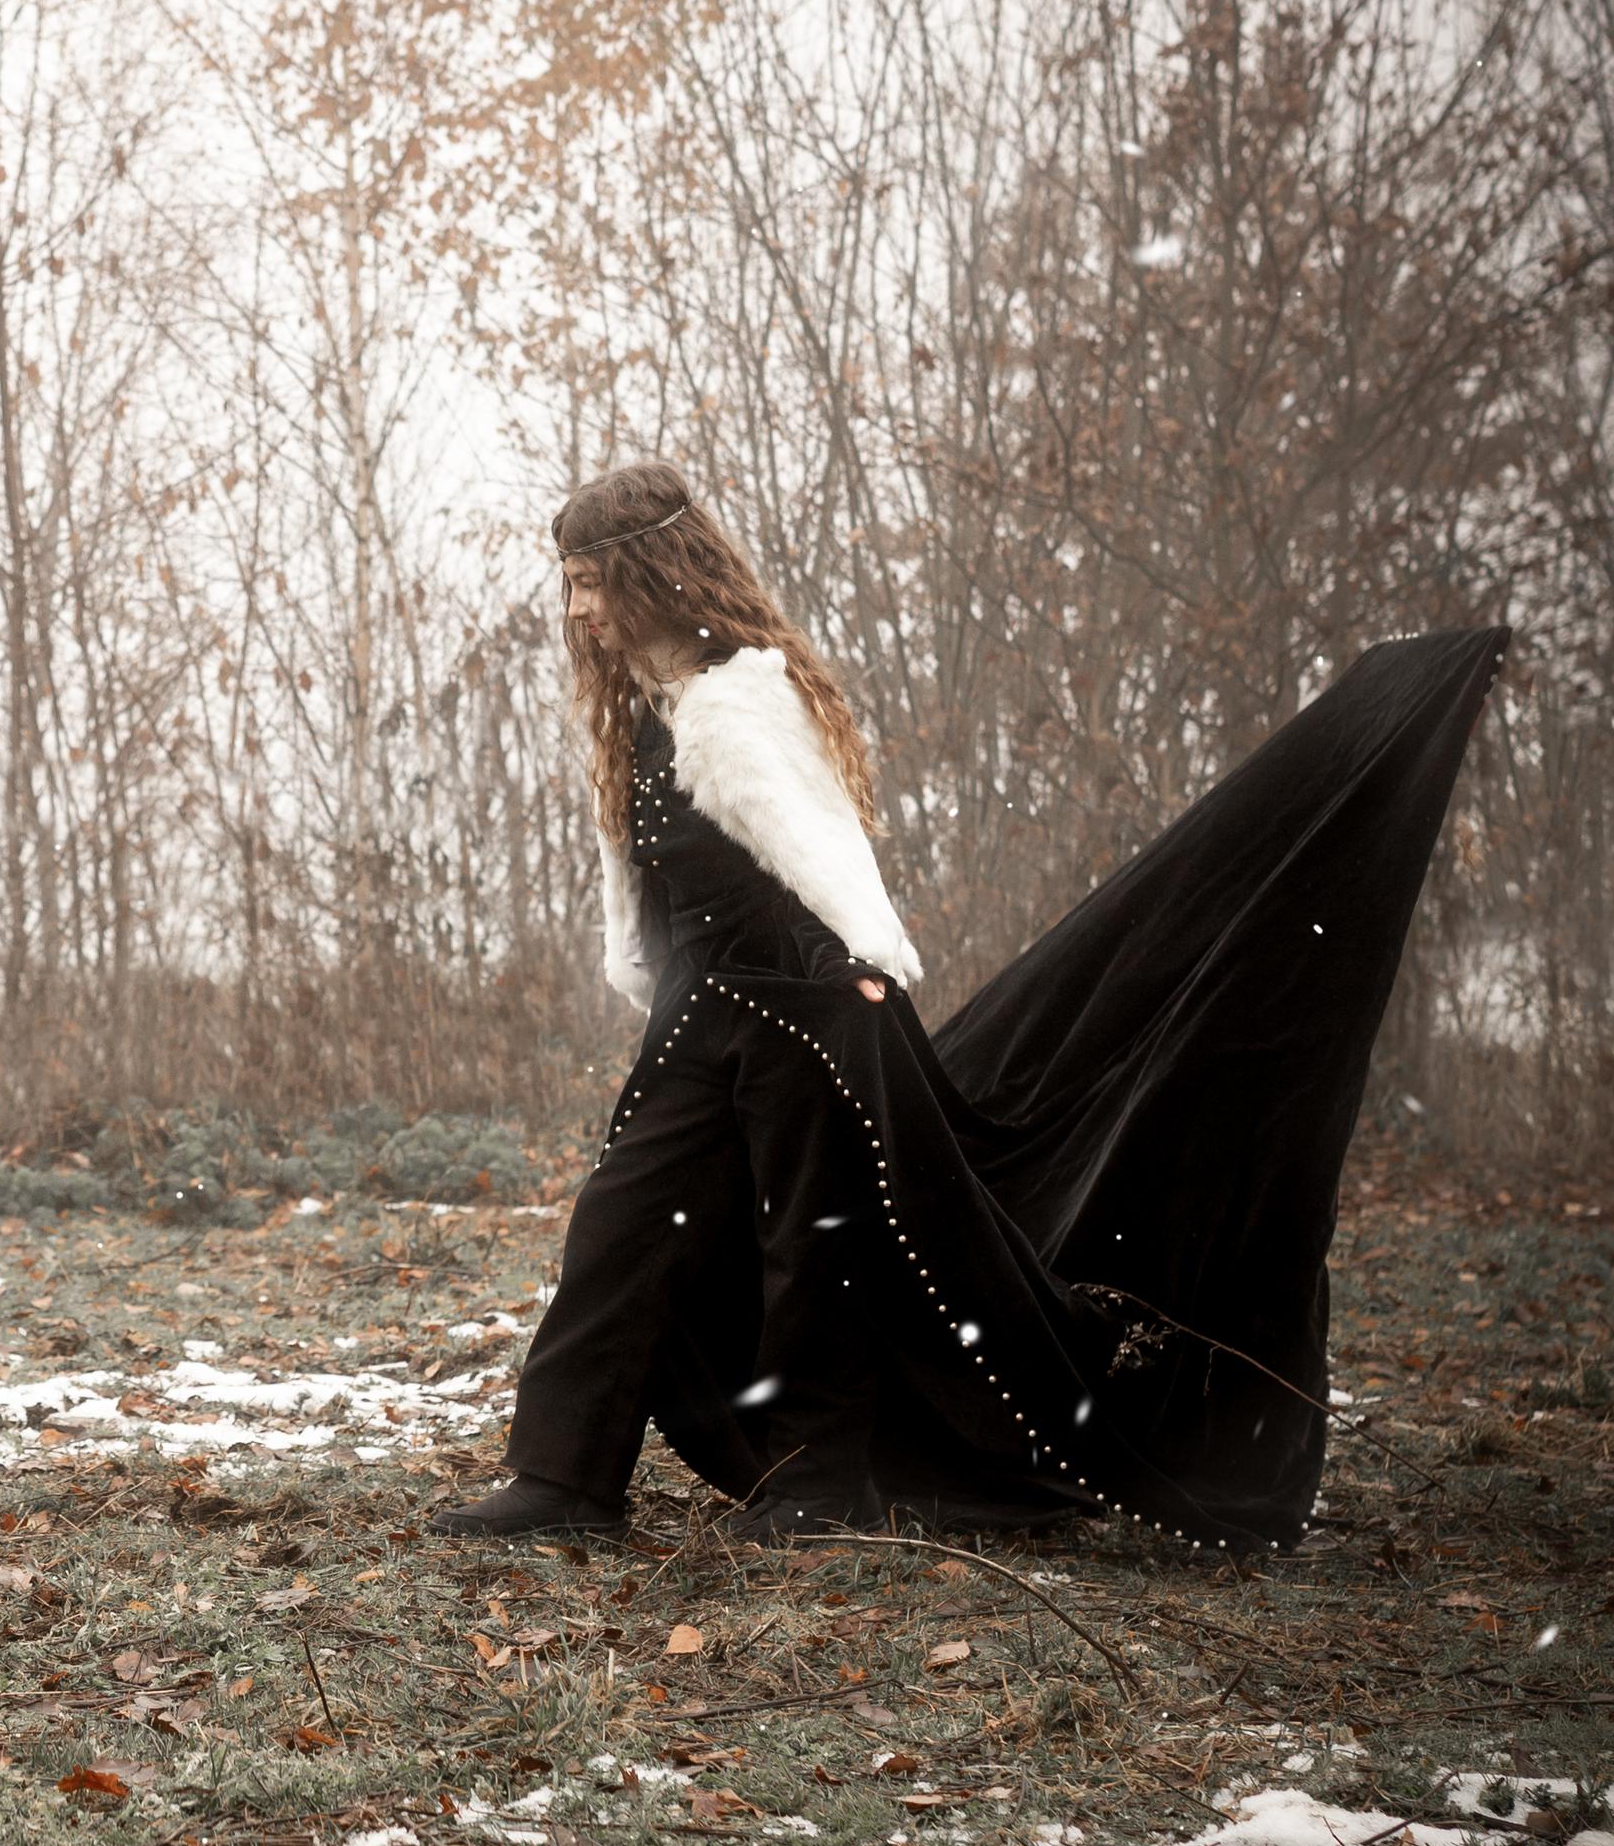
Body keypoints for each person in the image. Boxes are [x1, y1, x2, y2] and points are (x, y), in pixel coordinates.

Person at [434, 463, 1505, 1550]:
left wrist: (849, 955)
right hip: (702, 1018)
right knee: (621, 1224)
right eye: (569, 584)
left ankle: (817, 1486)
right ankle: (563, 1476)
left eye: (591, 582)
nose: (578, 610)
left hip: (808, 1012)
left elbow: (813, 854)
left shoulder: (739, 701)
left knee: (814, 1248)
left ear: (651, 573)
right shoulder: (646, 716)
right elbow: (663, 901)